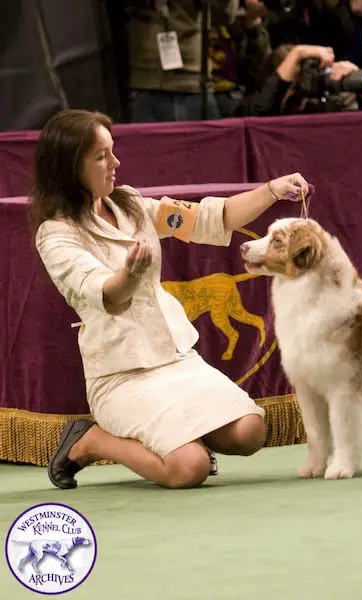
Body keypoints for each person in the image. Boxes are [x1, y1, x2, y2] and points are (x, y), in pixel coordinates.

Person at [30, 108, 311, 489]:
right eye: (101, 156)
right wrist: (129, 274)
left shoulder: (129, 203)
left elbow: (210, 218)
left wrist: (271, 190)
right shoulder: (56, 234)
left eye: (112, 151)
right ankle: (91, 439)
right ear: (68, 167)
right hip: (120, 376)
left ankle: (180, 433)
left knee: (250, 432)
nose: (116, 162)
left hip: (175, 360)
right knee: (188, 469)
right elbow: (109, 297)